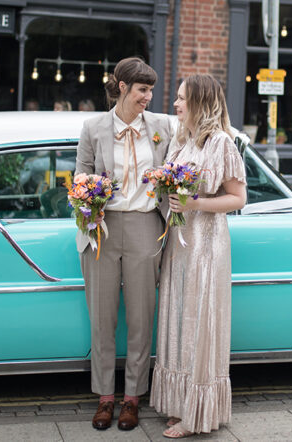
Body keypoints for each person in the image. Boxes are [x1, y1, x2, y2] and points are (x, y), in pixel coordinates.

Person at [75, 56, 173, 431]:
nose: (148, 97)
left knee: (140, 317)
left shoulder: (162, 126)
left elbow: (178, 167)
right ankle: (105, 397)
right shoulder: (93, 128)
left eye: (151, 90)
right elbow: (80, 175)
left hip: (146, 224)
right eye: (142, 90)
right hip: (102, 228)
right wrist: (89, 196)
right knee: (102, 318)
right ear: (122, 87)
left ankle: (133, 397)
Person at [150, 74, 247, 439]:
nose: (175, 104)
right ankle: (181, 404)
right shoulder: (182, 140)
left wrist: (195, 203)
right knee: (180, 320)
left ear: (200, 103)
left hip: (207, 244)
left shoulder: (221, 142)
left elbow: (238, 198)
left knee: (200, 322)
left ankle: (197, 415)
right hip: (180, 243)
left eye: (182, 98)